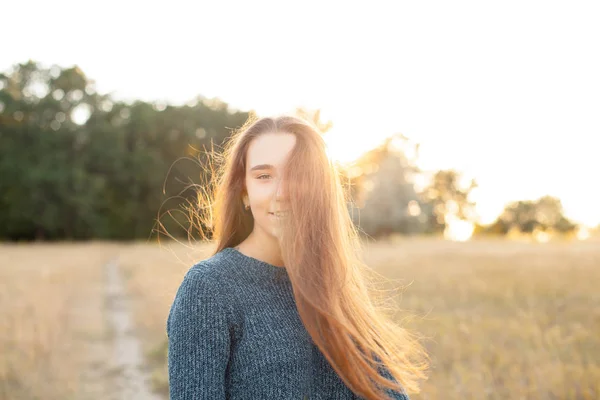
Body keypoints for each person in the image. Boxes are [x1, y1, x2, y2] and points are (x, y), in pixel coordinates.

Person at [166, 114, 429, 399]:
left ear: (320, 189)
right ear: (244, 191)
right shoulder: (208, 289)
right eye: (264, 176)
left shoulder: (336, 287)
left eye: (298, 175)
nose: (282, 193)